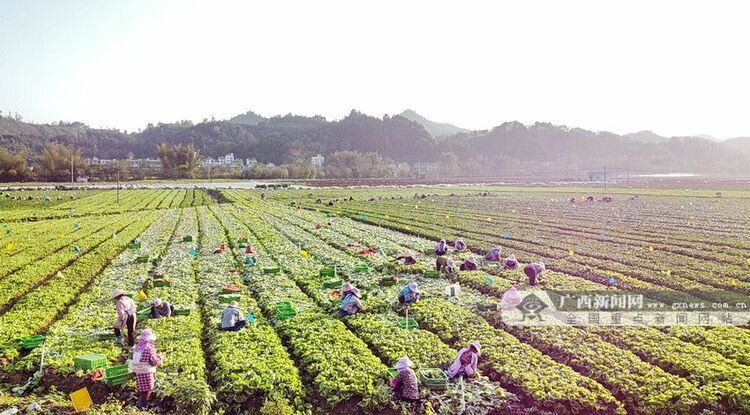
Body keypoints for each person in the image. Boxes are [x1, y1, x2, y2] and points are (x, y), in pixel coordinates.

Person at [129, 329, 164, 410]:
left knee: (142, 388)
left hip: (138, 370)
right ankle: (142, 406)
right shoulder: (149, 348)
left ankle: (140, 402)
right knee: (148, 388)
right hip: (146, 371)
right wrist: (160, 359)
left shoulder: (138, 347)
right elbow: (153, 361)